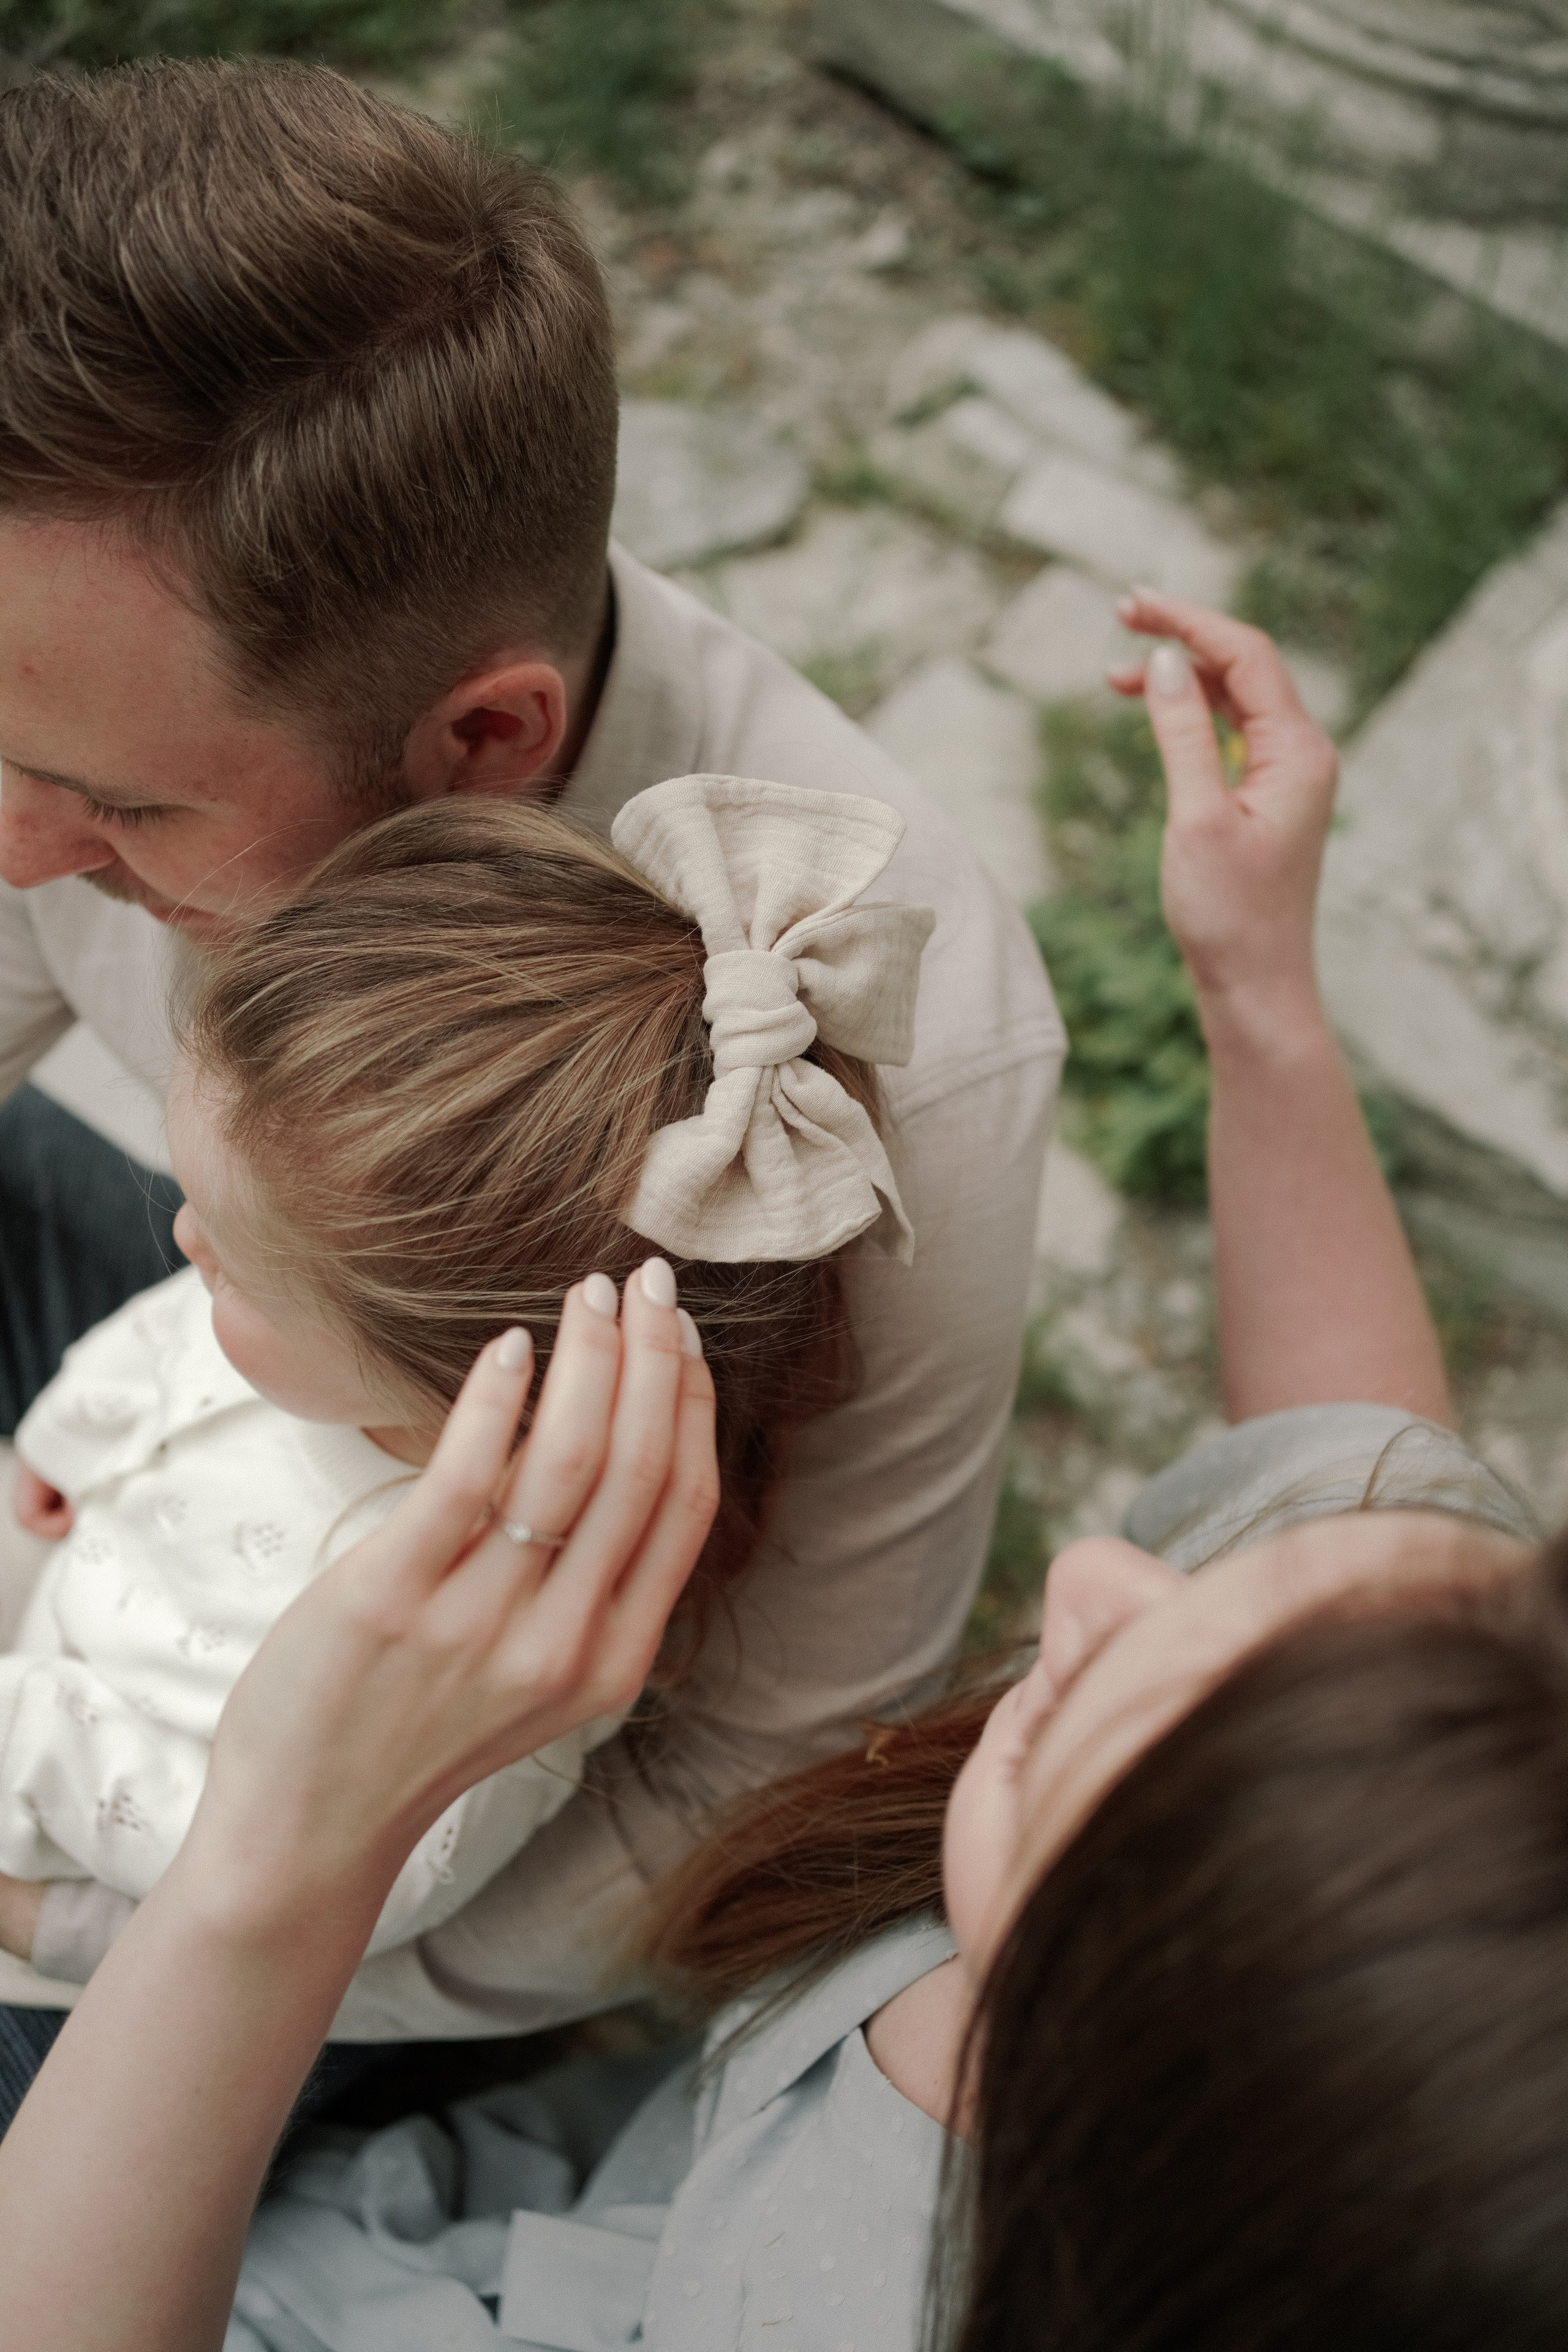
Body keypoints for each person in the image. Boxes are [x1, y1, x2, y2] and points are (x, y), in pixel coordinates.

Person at [3, 600, 1558, 2351]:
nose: (1094, 1582)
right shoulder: (1452, 1709)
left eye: (1147, 1714)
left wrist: (264, 1876)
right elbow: (1364, 1475)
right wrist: (1259, 989)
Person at [0, 60, 1061, 2038]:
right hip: (181, 1392)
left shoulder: (880, 1041)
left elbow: (726, 1797)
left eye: (117, 814)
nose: (13, 854)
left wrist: (109, 1954)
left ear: (486, 743)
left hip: (335, 1887)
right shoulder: (77, 670)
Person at [0, 771, 930, 2113]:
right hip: (68, 1596)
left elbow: (261, 1867)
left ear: (464, 1384)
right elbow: (158, 1345)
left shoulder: (459, 1648)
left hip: (99, 1929)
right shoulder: (299, 1310)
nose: (182, 1248)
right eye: (194, 1203)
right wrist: (62, 1435)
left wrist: (22, 1735)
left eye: (237, 1270)